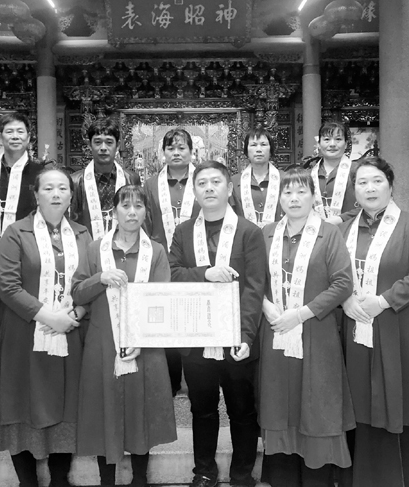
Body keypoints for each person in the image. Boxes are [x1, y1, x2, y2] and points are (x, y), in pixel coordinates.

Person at [339, 157, 409, 487]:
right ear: (354, 190)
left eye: (377, 181)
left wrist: (383, 301)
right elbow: (331, 272)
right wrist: (345, 299)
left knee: (406, 401)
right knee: (362, 404)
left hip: (401, 328)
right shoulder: (343, 229)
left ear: (390, 185)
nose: (370, 188)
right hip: (357, 331)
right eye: (362, 182)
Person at [0, 168, 92, 487]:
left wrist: (77, 310)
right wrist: (48, 316)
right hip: (25, 334)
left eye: (62, 188)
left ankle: (60, 479)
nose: (56, 194)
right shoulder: (15, 233)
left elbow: (90, 282)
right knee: (22, 400)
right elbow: (8, 286)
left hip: (70, 333)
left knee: (65, 402)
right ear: (35, 194)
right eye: (48, 188)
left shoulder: (83, 235)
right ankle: (27, 481)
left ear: (71, 196)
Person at [71, 184, 177, 487]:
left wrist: (141, 340)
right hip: (103, 343)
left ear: (146, 212)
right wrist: (100, 278)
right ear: (114, 211)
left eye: (138, 206)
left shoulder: (156, 251)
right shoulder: (96, 249)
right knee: (105, 411)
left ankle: (139, 479)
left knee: (141, 412)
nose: (132, 212)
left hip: (145, 346)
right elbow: (77, 292)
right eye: (125, 206)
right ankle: (107, 480)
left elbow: (163, 302)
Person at [169, 160, 267, 487]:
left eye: (215, 182)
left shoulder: (249, 232)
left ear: (229, 188)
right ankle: (204, 472)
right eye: (202, 183)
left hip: (237, 337)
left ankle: (242, 475)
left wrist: (246, 336)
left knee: (242, 410)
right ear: (194, 191)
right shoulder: (183, 232)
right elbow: (171, 274)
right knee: (202, 409)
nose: (209, 188)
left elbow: (255, 287)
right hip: (197, 336)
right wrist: (205, 273)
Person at [258, 168, 355, 487]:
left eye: (301, 191)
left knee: (316, 402)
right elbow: (253, 279)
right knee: (279, 402)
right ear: (279, 199)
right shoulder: (266, 234)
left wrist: (301, 314)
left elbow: (343, 283)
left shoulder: (329, 234)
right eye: (287, 192)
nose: (294, 198)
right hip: (275, 332)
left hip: (316, 333)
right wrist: (265, 305)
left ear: (314, 197)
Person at [143, 127, 201, 396]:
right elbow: (146, 223)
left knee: (193, 318)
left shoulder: (202, 180)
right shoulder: (151, 184)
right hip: (161, 263)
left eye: (181, 148)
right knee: (166, 323)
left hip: (195, 262)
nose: (176, 153)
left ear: (192, 151)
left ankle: (196, 379)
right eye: (171, 148)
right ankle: (171, 382)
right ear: (163, 153)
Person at [71, 117, 141, 240]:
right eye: (98, 142)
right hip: (87, 245)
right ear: (89, 145)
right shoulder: (75, 181)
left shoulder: (131, 179)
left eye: (109, 142)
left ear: (117, 145)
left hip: (122, 245)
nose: (103, 148)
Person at [305, 121, 358, 225]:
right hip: (316, 230)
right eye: (327, 139)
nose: (332, 144)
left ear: (346, 144)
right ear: (318, 144)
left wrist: (341, 219)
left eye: (338, 139)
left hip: (350, 229)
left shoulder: (358, 171)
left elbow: (370, 205)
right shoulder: (309, 174)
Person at [231, 129, 284, 227]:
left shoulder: (285, 179)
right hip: (245, 235)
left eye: (263, 144)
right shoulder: (234, 182)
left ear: (271, 149)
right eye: (253, 145)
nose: (259, 149)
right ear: (246, 150)